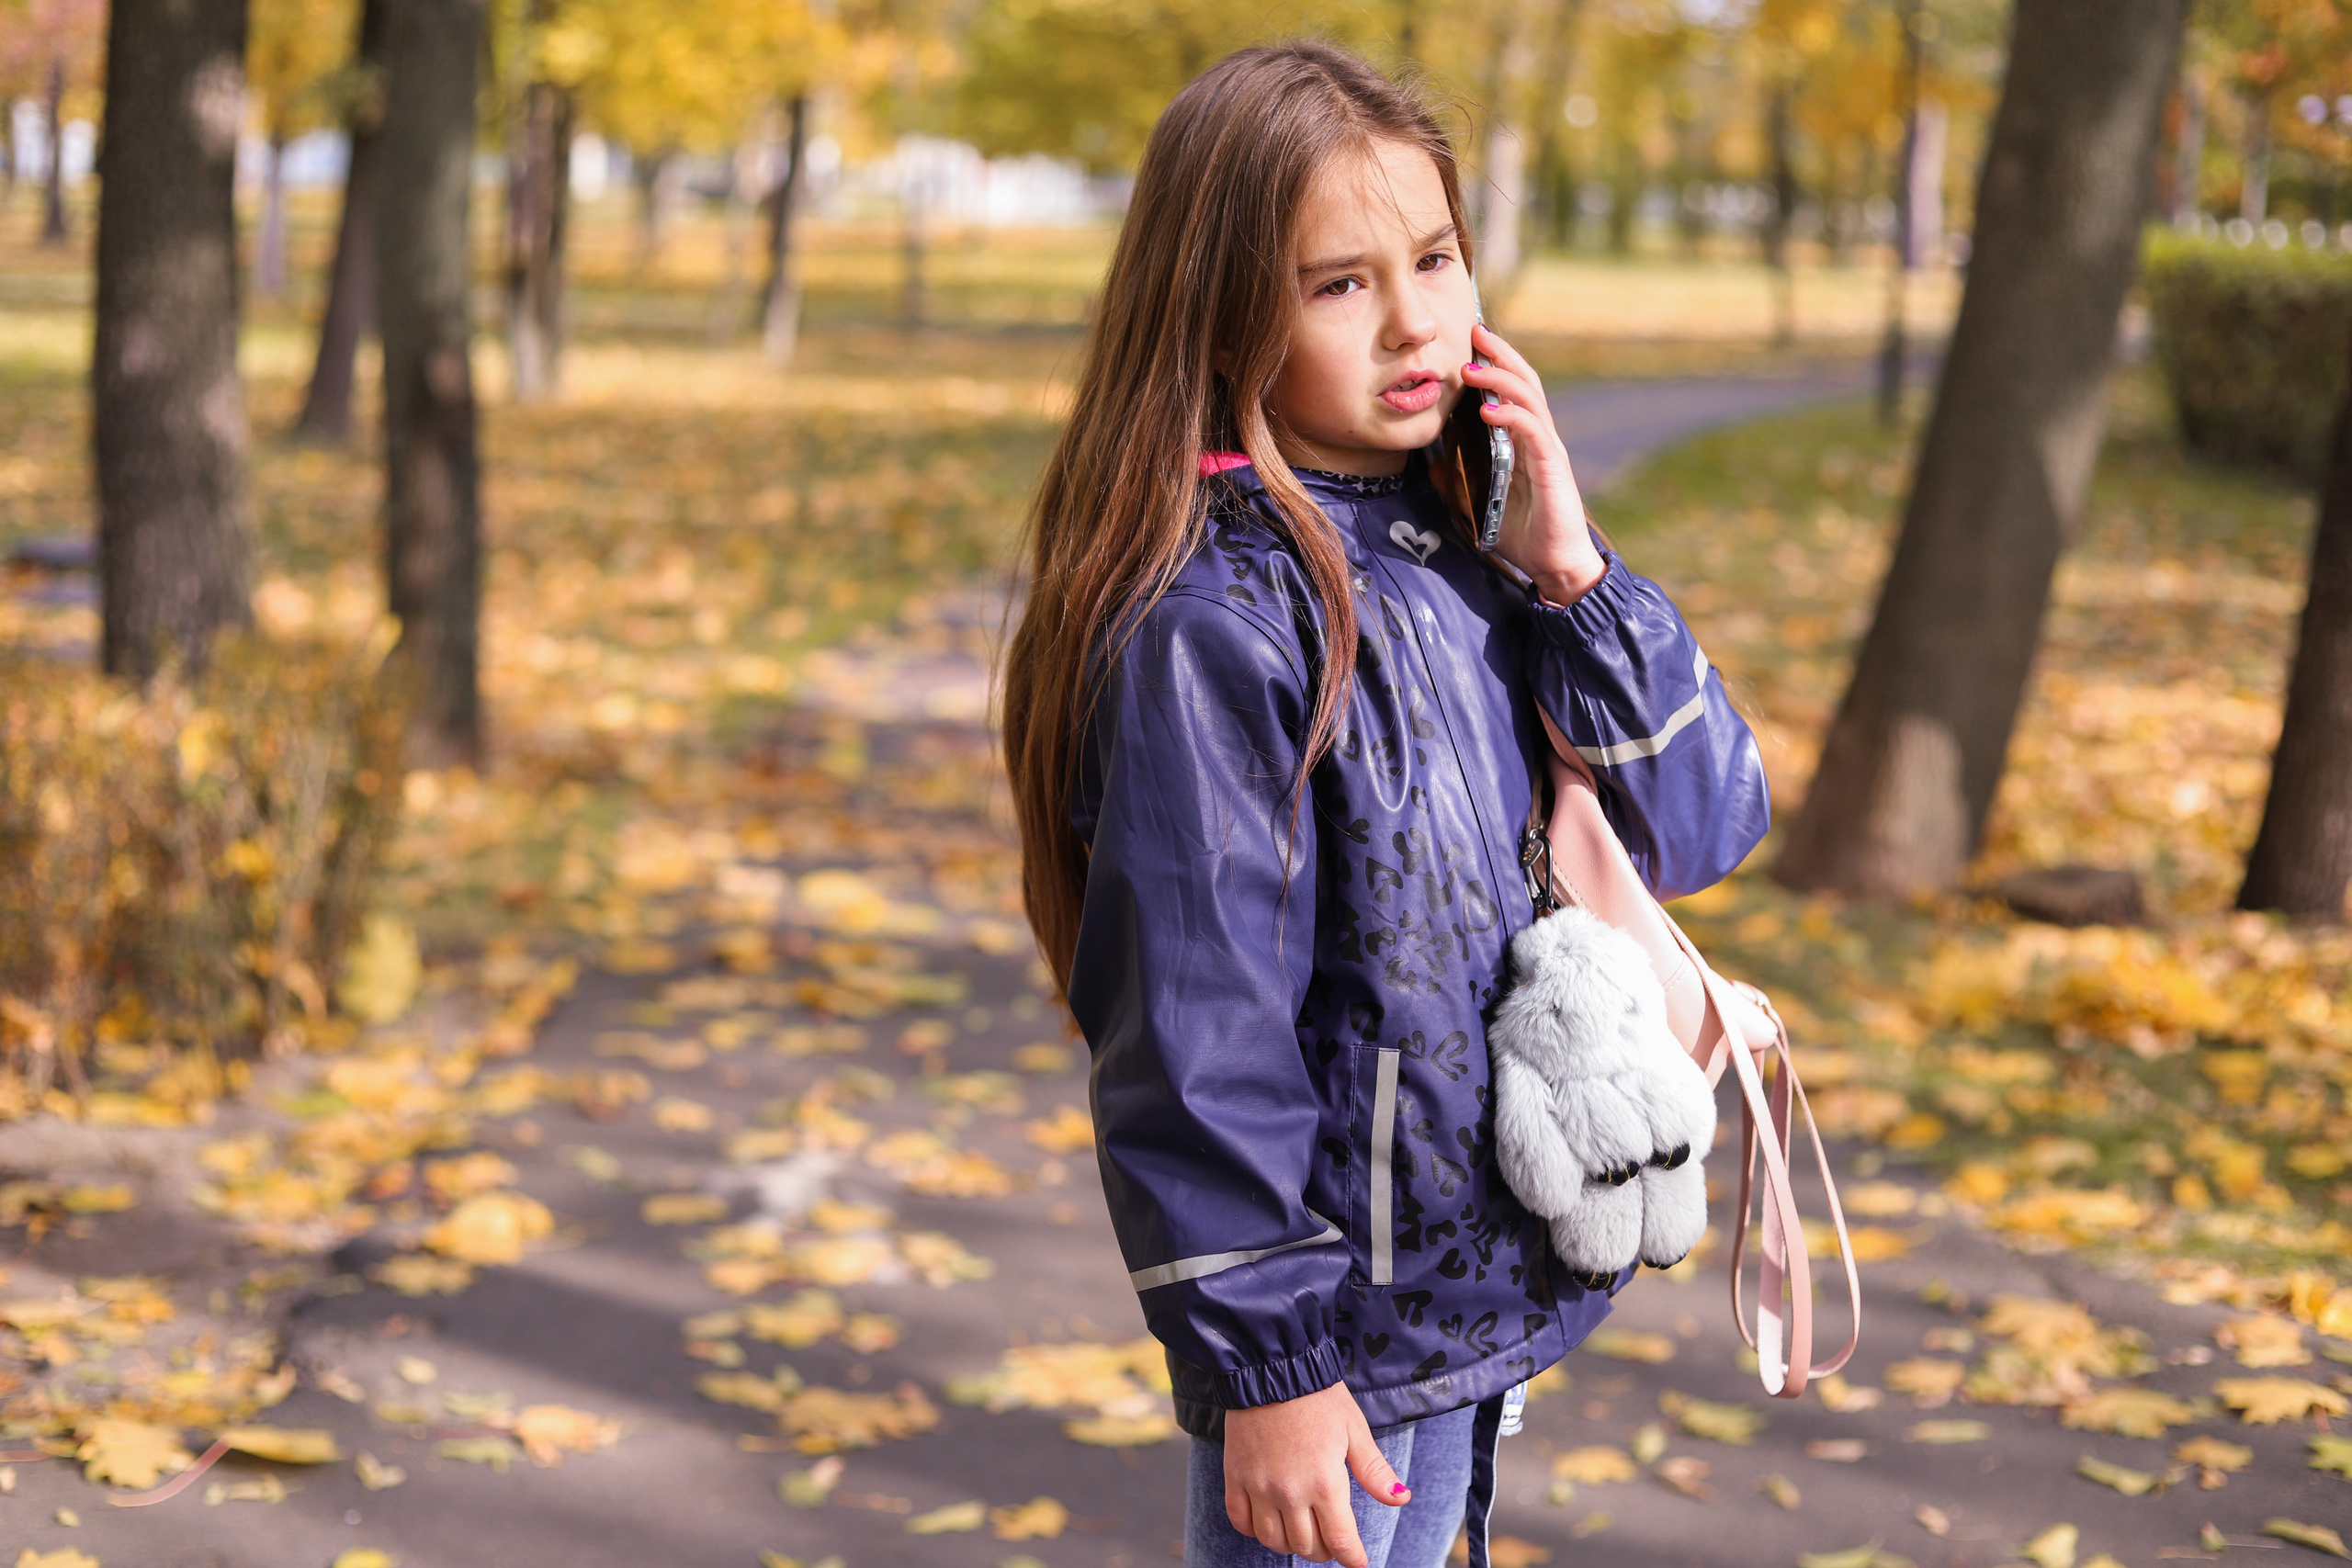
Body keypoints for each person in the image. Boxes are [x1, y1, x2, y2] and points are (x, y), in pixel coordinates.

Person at [1001, 41, 1769, 1568]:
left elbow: (1704, 828)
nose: (1418, 321)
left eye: (1435, 258)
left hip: (1475, 1300)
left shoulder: (1469, 549)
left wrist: (1575, 577)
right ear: (1224, 313)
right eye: (1340, 284)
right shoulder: (1216, 624)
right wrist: (1272, 1368)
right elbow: (1197, 1037)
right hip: (1336, 1343)